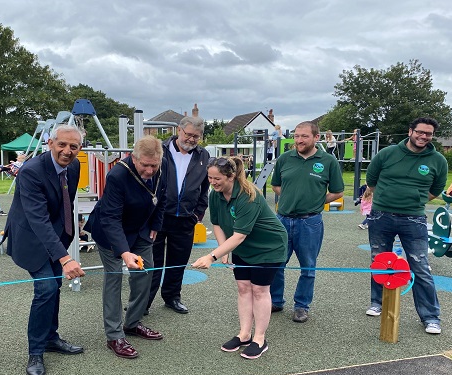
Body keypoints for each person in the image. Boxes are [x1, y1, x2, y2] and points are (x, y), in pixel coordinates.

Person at [3, 124, 86, 375]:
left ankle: (51, 338)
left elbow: (65, 204)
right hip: (30, 238)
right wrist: (65, 257)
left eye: (74, 146)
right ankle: (35, 352)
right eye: (62, 144)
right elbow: (37, 219)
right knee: (47, 288)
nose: (67, 151)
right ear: (50, 143)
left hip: (54, 237)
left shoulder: (74, 166)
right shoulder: (31, 172)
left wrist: (70, 236)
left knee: (55, 287)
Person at [192, 156, 287, 359]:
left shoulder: (247, 195)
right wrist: (223, 249)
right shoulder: (215, 195)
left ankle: (260, 339)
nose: (213, 182)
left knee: (260, 290)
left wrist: (212, 256)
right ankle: (244, 334)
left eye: (217, 178)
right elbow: (216, 223)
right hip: (243, 247)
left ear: (231, 176)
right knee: (243, 288)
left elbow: (239, 235)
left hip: (268, 247)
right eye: (210, 178)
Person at [85, 135, 168, 359]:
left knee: (145, 272)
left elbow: (161, 197)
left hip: (141, 229)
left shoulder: (162, 166)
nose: (150, 170)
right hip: (111, 233)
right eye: (145, 165)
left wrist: (156, 225)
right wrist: (124, 252)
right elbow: (110, 218)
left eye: (154, 165)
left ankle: (132, 323)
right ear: (134, 158)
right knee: (114, 279)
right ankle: (114, 335)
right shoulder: (117, 175)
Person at [365, 117, 448, 335]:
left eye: (428, 134)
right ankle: (377, 303)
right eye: (420, 132)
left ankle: (431, 317)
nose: (423, 137)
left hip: (414, 219)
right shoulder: (387, 153)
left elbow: (436, 189)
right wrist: (386, 199)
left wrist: (415, 200)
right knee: (379, 262)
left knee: (420, 267)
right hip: (380, 216)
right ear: (410, 131)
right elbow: (371, 180)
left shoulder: (437, 160)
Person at [270, 121, 344, 323]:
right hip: (283, 220)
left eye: (304, 136)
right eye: (296, 136)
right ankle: (275, 301)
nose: (299, 140)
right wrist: (289, 198)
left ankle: (301, 306)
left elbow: (338, 191)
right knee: (276, 263)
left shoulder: (328, 161)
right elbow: (275, 185)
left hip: (310, 222)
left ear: (316, 137)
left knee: (308, 267)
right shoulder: (285, 159)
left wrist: (317, 201)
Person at [147, 116, 210, 315]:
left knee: (178, 261)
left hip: (185, 218)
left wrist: (198, 214)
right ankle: (143, 302)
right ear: (179, 130)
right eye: (188, 134)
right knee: (152, 263)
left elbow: (205, 188)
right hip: (158, 216)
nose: (191, 139)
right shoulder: (160, 150)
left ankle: (172, 297)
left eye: (196, 137)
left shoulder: (203, 156)